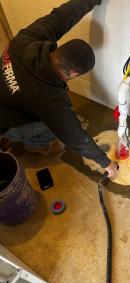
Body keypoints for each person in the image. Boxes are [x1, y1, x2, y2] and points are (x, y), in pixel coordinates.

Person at [0, 0, 118, 177]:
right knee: (56, 128)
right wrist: (107, 163)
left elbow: (63, 15)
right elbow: (74, 136)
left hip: (6, 101)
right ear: (73, 72)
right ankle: (35, 145)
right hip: (6, 122)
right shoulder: (49, 100)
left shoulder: (28, 39)